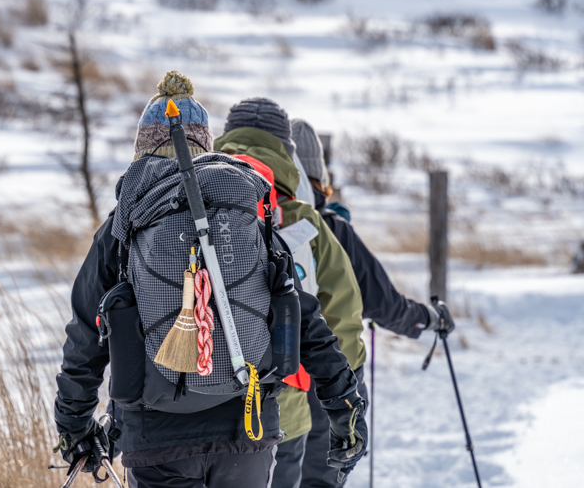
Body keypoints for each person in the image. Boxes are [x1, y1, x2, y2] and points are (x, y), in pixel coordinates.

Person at [53, 73, 367, 488]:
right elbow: (302, 314)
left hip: (157, 438)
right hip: (248, 430)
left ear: (142, 148)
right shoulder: (247, 214)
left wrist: (74, 426)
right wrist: (344, 405)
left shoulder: (123, 226)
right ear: (206, 146)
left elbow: (86, 335)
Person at [290, 118, 456, 487]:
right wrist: (429, 319)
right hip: (330, 385)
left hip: (265, 384)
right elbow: (385, 304)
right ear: (319, 176)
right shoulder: (331, 229)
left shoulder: (248, 221)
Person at [214, 98, 368, 488]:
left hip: (198, 407)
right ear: (285, 150)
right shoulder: (303, 219)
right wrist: (345, 402)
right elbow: (342, 316)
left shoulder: (190, 205)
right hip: (282, 410)